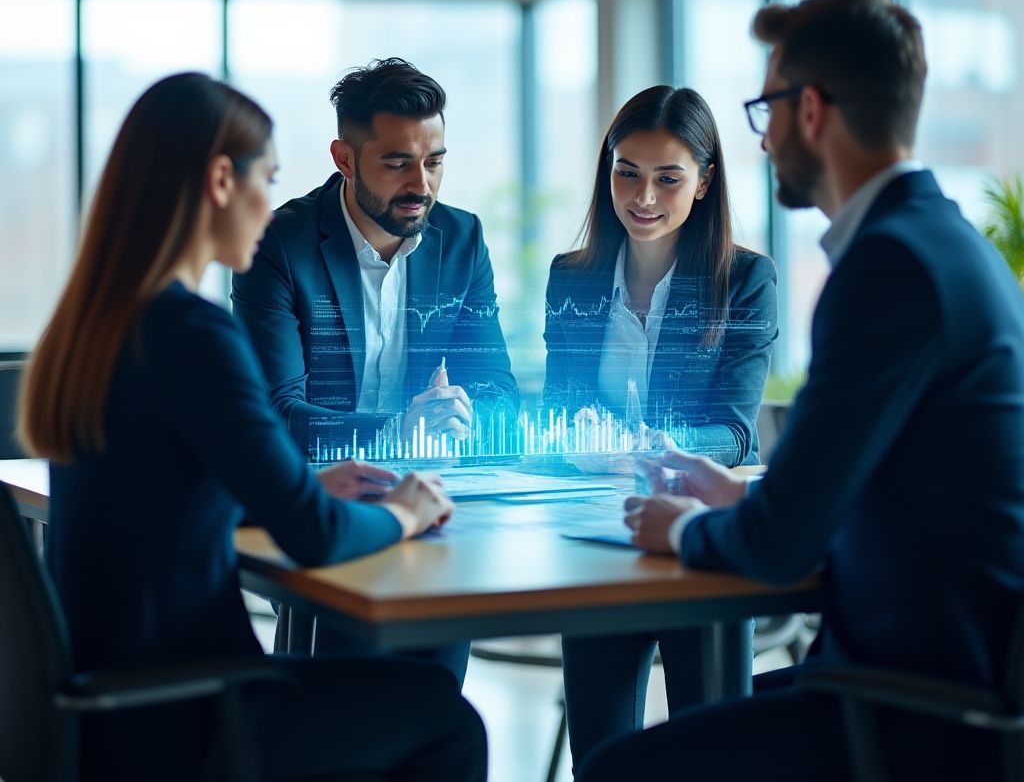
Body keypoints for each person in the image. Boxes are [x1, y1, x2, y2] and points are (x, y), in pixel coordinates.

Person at [579, 0, 1024, 782]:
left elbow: (780, 549)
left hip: (916, 703)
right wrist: (743, 499)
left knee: (617, 769)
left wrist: (676, 529)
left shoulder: (887, 267)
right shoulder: (947, 243)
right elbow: (852, 498)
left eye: (767, 108)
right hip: (943, 675)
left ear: (810, 109)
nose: (764, 136)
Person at [17, 73, 487, 782]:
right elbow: (316, 537)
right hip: (197, 712)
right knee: (444, 716)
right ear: (218, 182)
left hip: (110, 707)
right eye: (265, 179)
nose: (270, 207)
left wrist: (301, 481)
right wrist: (405, 511)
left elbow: (157, 495)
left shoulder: (100, 325)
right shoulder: (192, 334)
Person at [232, 56, 517, 681]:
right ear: (344, 157)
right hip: (323, 514)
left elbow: (499, 391)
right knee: (342, 709)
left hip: (435, 510)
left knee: (437, 705)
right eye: (396, 163)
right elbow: (277, 414)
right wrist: (398, 428)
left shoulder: (462, 240)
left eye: (435, 160)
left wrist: (464, 414)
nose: (421, 183)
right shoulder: (276, 245)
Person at [542, 85, 778, 768]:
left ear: (704, 183)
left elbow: (733, 432)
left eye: (668, 177)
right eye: (627, 172)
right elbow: (561, 404)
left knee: (706, 749)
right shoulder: (573, 278)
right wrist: (574, 435)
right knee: (600, 750)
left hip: (696, 533)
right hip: (598, 530)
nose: (643, 196)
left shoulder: (745, 281)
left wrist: (650, 448)